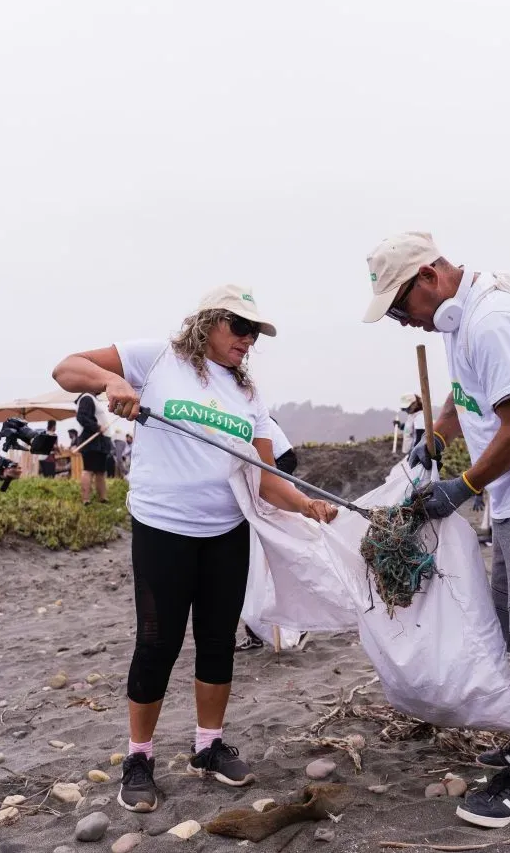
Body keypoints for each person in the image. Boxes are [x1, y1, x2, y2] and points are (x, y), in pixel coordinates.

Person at [53, 284, 336, 814]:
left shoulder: (249, 396)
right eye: (241, 328)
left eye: (255, 334)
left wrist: (306, 506)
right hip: (163, 528)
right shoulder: (154, 358)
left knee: (216, 641)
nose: (249, 341)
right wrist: (113, 380)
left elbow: (266, 477)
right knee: (157, 643)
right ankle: (139, 758)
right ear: (209, 323)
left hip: (226, 532)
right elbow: (65, 369)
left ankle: (208, 746)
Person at [363, 231, 510, 829]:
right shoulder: (462, 319)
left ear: (427, 276)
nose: (402, 321)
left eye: (399, 306)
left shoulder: (491, 321)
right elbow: (467, 396)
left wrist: (462, 487)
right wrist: (435, 440)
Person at [237, 417, 299, 652]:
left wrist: (261, 483)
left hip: (268, 505)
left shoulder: (261, 421)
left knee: (271, 569)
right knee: (248, 572)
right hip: (242, 507)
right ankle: (254, 633)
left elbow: (289, 460)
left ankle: (291, 626)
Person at [75, 391, 112, 503]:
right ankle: (86, 499)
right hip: (91, 440)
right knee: (89, 469)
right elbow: (81, 417)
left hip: (101, 441)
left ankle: (103, 498)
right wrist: (96, 427)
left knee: (100, 471)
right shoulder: (87, 398)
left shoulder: (94, 399)